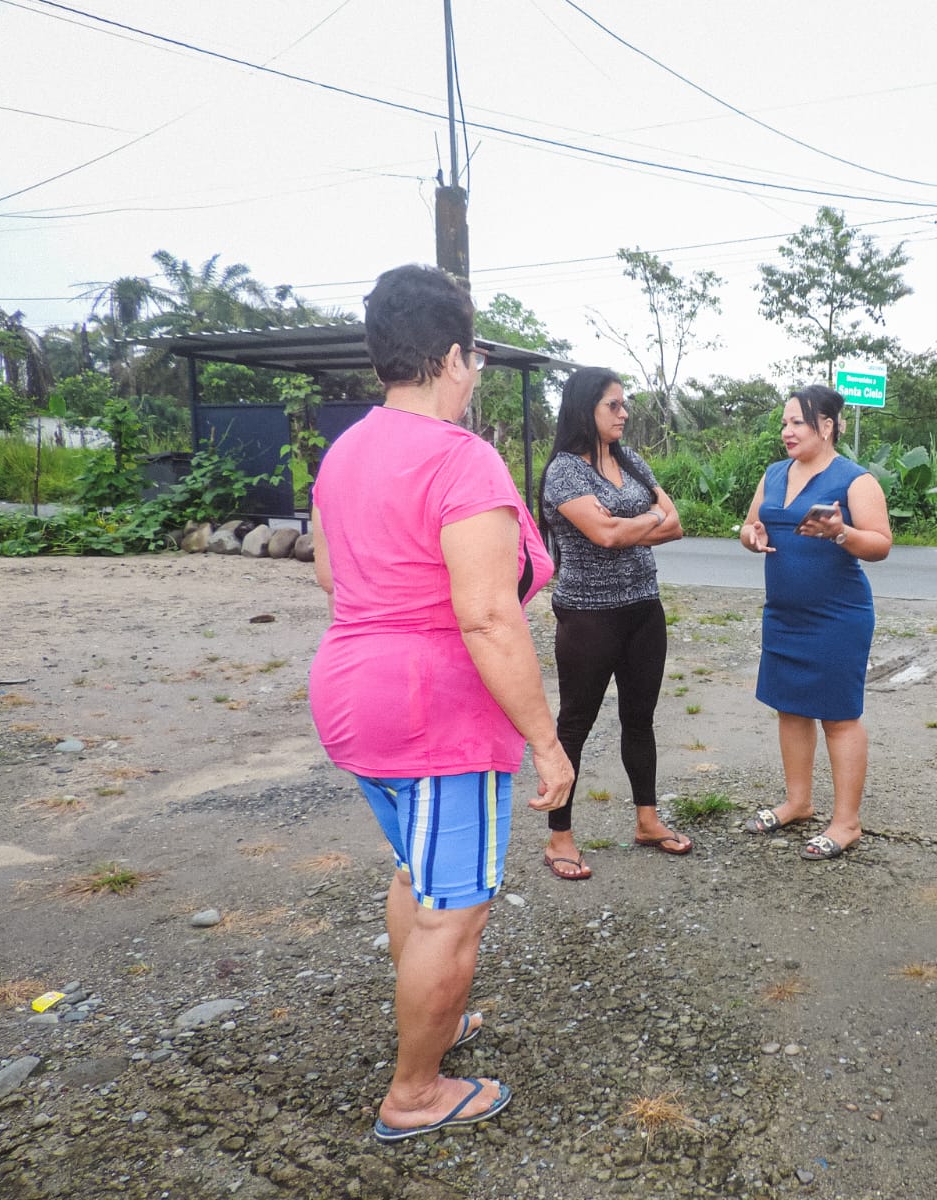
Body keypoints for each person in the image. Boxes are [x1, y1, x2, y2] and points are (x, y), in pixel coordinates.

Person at [308, 264, 574, 1141]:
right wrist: (547, 742)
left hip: (351, 690)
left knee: (414, 872)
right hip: (435, 714)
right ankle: (415, 1092)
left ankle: (438, 1021)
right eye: (476, 359)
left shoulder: (345, 452)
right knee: (453, 909)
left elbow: (331, 575)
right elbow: (489, 616)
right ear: (454, 357)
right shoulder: (462, 459)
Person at [536, 367, 687, 880]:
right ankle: (559, 838)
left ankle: (648, 820)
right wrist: (644, 521)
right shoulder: (565, 472)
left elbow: (676, 523)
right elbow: (605, 536)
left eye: (625, 404)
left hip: (644, 608)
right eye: (613, 405)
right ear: (586, 409)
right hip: (588, 615)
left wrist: (631, 525)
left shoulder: (631, 460)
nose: (623, 414)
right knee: (575, 725)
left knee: (640, 719)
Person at [739, 385, 892, 860]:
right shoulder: (774, 473)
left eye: (797, 423)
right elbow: (750, 525)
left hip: (836, 617)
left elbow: (881, 544)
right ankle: (798, 802)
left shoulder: (855, 480)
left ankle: (847, 822)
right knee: (790, 708)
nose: (787, 432)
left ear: (826, 426)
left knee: (839, 717)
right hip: (783, 614)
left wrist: (840, 532)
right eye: (784, 423)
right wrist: (751, 536)